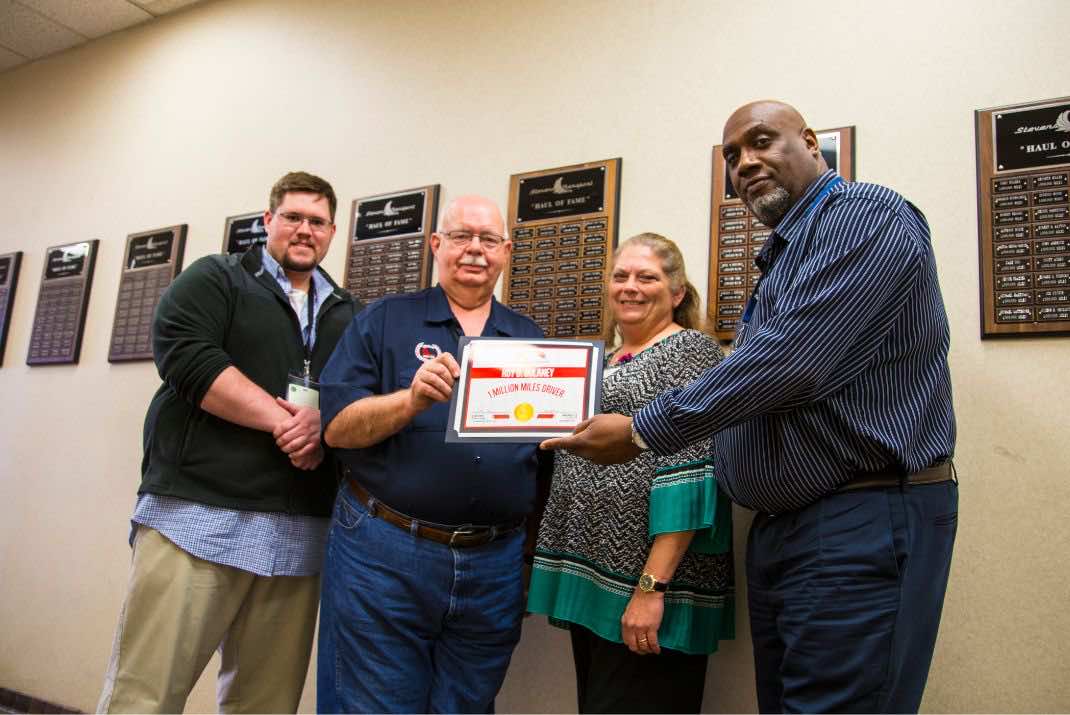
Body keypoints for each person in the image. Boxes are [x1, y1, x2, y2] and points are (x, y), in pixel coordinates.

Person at [543, 100, 958, 714]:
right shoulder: (789, 253)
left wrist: (640, 431)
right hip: (793, 525)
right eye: (733, 156)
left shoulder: (865, 215)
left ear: (812, 143)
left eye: (761, 142)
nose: (745, 162)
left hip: (861, 515)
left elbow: (791, 362)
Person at [97, 171, 361, 714]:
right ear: (268, 222)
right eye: (292, 217)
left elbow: (358, 401)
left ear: (333, 231)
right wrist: (284, 422)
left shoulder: (348, 313)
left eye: (316, 221)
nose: (304, 230)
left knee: (264, 704)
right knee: (145, 694)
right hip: (198, 520)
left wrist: (324, 428)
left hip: (297, 537)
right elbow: (187, 356)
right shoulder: (217, 278)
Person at [316, 195, 550, 714]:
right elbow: (337, 429)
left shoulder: (529, 339)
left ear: (507, 252)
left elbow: (542, 455)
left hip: (495, 563)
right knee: (374, 705)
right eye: (462, 237)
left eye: (488, 240)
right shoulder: (383, 321)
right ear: (436, 245)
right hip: (387, 551)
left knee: (467, 705)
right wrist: (411, 399)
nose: (475, 250)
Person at [527, 233, 733, 714]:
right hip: (596, 581)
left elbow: (694, 476)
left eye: (647, 277)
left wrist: (650, 589)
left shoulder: (690, 353)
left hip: (646, 588)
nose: (630, 287)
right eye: (621, 276)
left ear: (677, 293)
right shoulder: (604, 357)